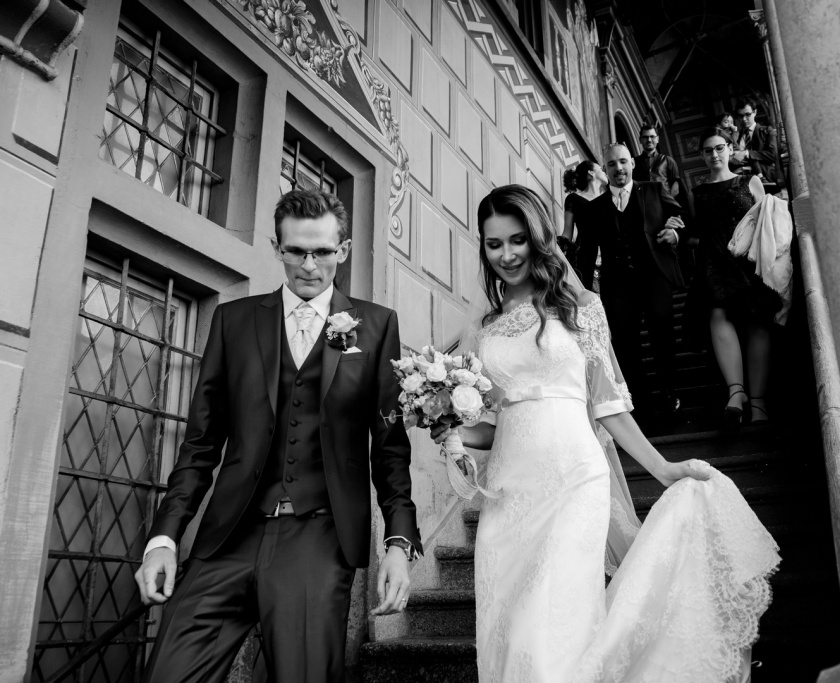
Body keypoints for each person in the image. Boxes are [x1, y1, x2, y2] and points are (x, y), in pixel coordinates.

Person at [433, 185, 779, 683]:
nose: (506, 254)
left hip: (573, 478)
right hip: (507, 494)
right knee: (508, 632)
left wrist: (661, 467)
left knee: (550, 627)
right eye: (494, 244)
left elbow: (608, 404)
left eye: (517, 240)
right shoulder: (486, 329)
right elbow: (493, 425)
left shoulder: (580, 306)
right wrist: (450, 429)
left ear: (538, 237)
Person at [134, 188, 421, 682]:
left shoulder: (376, 326)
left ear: (344, 250)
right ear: (277, 248)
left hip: (319, 537)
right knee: (169, 673)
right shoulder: (234, 321)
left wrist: (399, 543)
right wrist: (164, 538)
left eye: (323, 252)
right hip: (229, 535)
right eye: (296, 251)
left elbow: (390, 449)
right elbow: (201, 444)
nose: (309, 265)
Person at [576, 143, 686, 421]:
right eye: (612, 164)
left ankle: (669, 392)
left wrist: (675, 233)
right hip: (617, 285)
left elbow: (682, 216)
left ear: (633, 163)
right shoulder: (593, 209)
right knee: (625, 344)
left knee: (662, 332)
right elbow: (586, 253)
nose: (619, 168)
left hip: (655, 277)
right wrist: (582, 291)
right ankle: (641, 403)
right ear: (605, 169)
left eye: (623, 161)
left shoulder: (654, 190)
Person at [692, 129, 782, 424]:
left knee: (758, 325)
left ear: (730, 149)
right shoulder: (698, 192)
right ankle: (736, 392)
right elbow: (697, 232)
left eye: (719, 148)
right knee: (718, 315)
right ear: (702, 156)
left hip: (749, 262)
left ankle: (758, 403)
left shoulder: (749, 181)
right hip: (715, 262)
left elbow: (768, 223)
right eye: (708, 150)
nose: (714, 154)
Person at [558, 160, 607, 286]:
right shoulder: (573, 199)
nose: (604, 172)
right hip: (584, 257)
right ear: (591, 173)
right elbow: (567, 234)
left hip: (609, 258)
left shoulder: (609, 200)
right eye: (601, 169)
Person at [730, 99, 778, 183]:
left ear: (755, 112)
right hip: (741, 180)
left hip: (765, 179)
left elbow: (772, 155)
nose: (744, 119)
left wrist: (746, 153)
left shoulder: (767, 131)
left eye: (747, 114)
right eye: (741, 116)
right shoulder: (736, 136)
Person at [633, 124, 681, 197]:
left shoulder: (668, 161)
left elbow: (675, 188)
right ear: (640, 140)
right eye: (645, 137)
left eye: (652, 136)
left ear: (657, 139)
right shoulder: (633, 162)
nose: (649, 140)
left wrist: (667, 201)